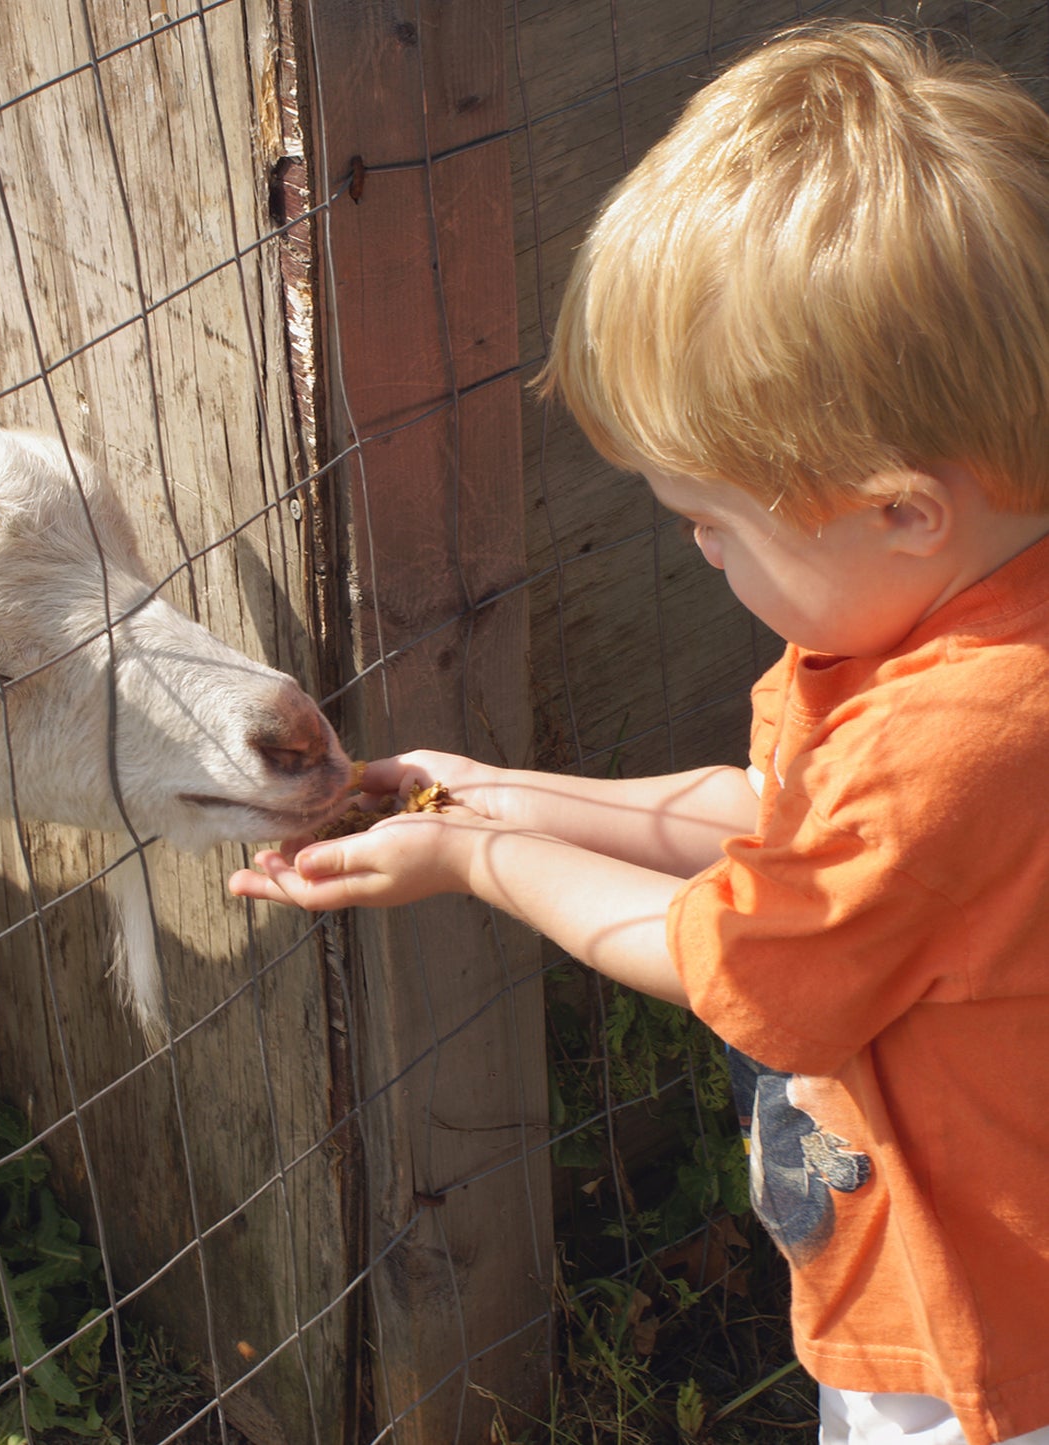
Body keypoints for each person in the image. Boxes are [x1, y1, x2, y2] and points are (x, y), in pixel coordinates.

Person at [228, 20, 1049, 1445]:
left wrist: (480, 862)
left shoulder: (962, 733)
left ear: (902, 504)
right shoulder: (948, 628)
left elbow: (725, 957)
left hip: (976, 1339)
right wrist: (495, 787)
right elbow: (774, 813)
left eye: (712, 525)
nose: (701, 562)